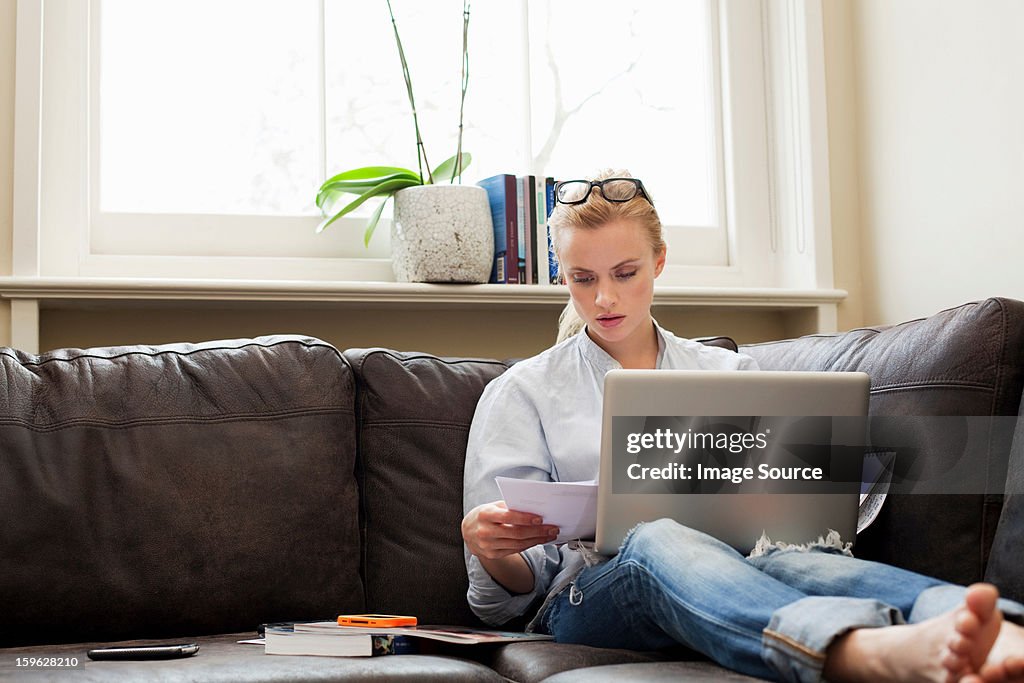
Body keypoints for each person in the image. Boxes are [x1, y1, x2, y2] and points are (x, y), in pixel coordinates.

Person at [461, 170, 1024, 683]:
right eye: (583, 279)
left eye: (625, 273)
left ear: (658, 262)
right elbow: (502, 602)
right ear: (564, 274)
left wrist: (816, 485)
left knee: (799, 556)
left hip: (738, 563)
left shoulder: (729, 374)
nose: (604, 298)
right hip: (591, 597)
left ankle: (993, 627)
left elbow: (786, 515)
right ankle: (855, 652)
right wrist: (491, 549)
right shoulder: (522, 393)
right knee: (656, 534)